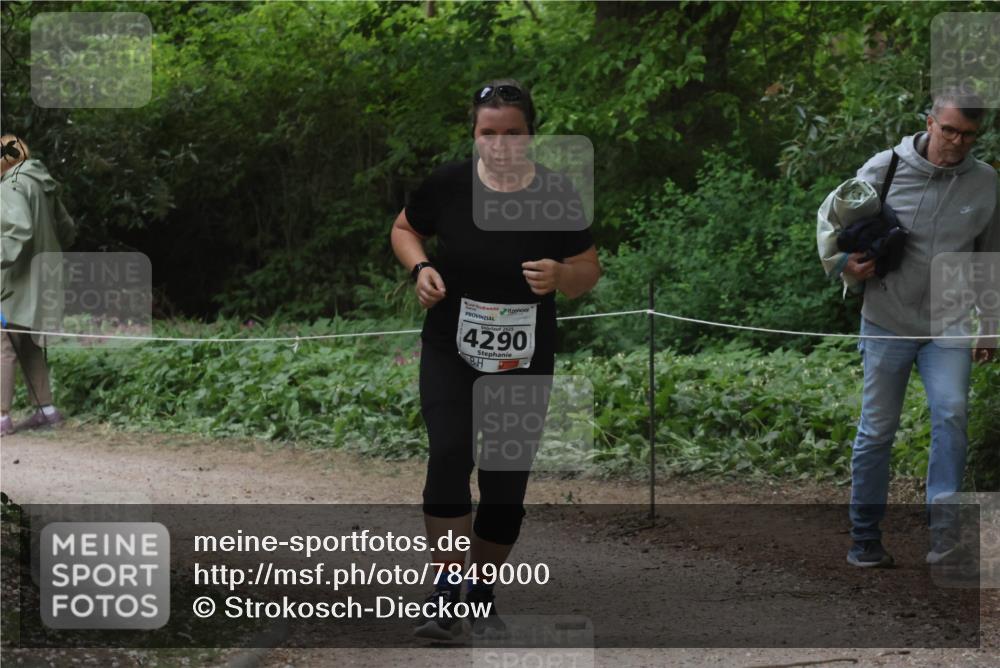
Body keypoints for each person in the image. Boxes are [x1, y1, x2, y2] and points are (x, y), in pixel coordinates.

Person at [390, 79, 601, 641]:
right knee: (450, 455)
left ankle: (480, 591)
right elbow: (405, 228)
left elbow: (588, 269)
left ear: (531, 135)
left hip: (523, 355)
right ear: (474, 134)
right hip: (451, 348)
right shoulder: (450, 185)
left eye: (513, 133)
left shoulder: (555, 192)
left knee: (505, 482)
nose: (501, 144)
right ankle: (444, 593)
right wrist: (420, 270)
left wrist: (562, 276)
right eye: (489, 133)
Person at [842, 89, 999, 568]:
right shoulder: (883, 168)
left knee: (951, 415)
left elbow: (991, 257)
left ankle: (945, 535)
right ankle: (865, 536)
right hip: (887, 318)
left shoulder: (987, 182)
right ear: (930, 122)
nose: (956, 141)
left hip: (948, 324)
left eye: (968, 134)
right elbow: (835, 229)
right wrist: (847, 267)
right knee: (877, 429)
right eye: (948, 129)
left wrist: (991, 325)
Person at [0, 134, 75, 436]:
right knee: (28, 343)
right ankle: (46, 409)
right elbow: (68, 229)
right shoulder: (44, 184)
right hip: (46, 277)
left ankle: (2, 417)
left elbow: (20, 230)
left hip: (18, 279)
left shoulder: (10, 186)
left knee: (3, 343)